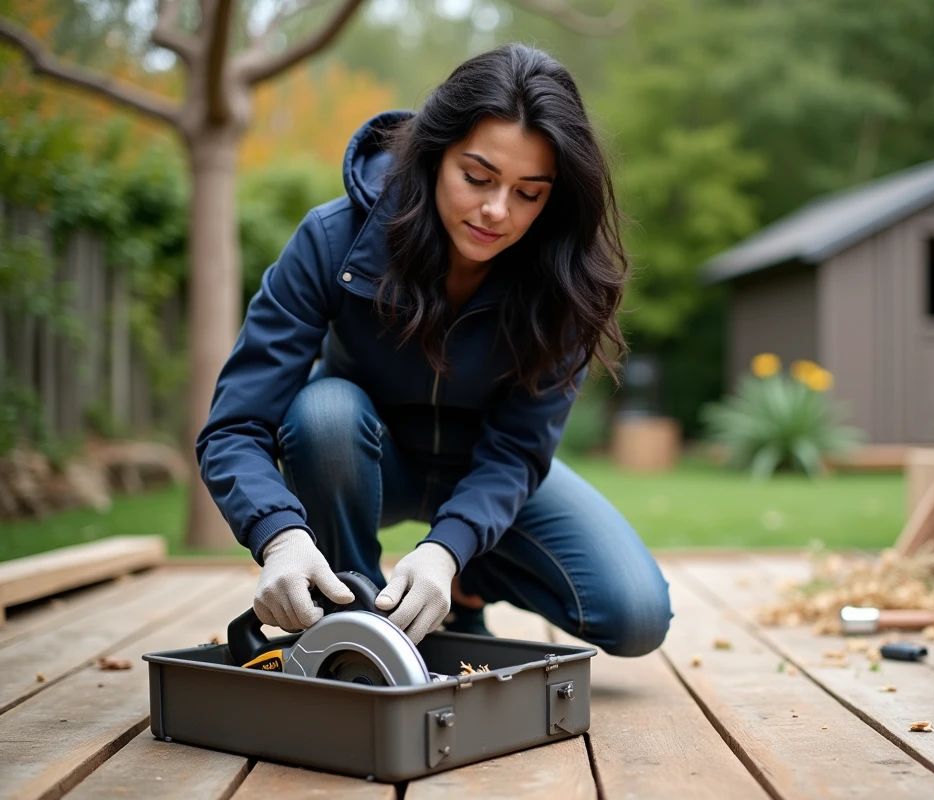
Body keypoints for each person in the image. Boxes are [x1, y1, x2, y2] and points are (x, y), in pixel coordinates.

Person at [196, 43, 673, 656]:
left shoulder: (566, 280)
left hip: (486, 470)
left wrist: (447, 553)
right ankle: (350, 622)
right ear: (432, 155)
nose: (497, 210)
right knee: (325, 413)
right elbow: (234, 425)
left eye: (529, 192)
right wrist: (280, 535)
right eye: (476, 177)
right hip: (363, 457)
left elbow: (520, 450)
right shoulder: (330, 240)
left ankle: (462, 589)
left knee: (636, 617)